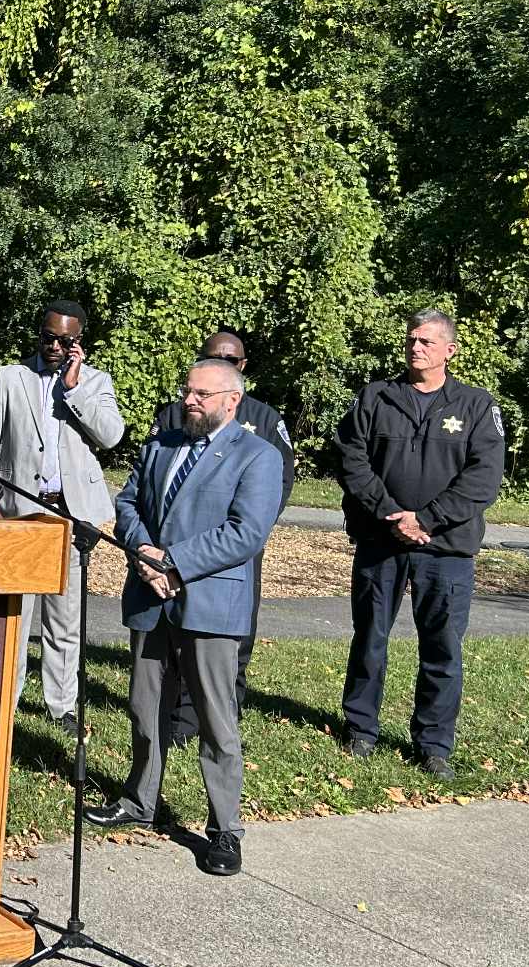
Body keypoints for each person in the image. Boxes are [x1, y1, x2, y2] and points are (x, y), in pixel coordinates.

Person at [87, 358, 284, 877]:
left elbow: (246, 533)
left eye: (201, 395)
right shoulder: (161, 445)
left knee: (216, 720)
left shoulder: (258, 456)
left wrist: (174, 563)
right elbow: (127, 503)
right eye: (187, 392)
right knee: (145, 706)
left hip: (210, 605)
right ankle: (139, 800)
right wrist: (143, 551)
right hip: (151, 597)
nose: (189, 401)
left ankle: (224, 829)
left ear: (231, 401)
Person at [336, 310, 506, 777]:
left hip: (445, 548)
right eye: (411, 339)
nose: (416, 348)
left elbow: (484, 477)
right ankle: (360, 729)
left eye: (427, 342)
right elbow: (352, 460)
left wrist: (427, 519)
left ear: (450, 350)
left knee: (442, 648)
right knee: (370, 638)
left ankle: (434, 744)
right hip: (381, 541)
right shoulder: (376, 396)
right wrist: (390, 514)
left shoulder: (475, 405)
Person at [0, 299, 125, 731]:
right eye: (48, 337)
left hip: (71, 514)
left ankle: (62, 706)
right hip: (19, 512)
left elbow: (111, 437)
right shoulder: (10, 377)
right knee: (15, 616)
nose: (55, 346)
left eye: (65, 340)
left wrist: (74, 389)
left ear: (79, 341)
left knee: (65, 616)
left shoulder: (95, 382)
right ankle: (6, 699)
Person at [154, 328, 296, 744]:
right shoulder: (177, 413)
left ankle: (225, 710)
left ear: (242, 366)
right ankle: (181, 718)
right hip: (174, 547)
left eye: (230, 360)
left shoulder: (265, 418)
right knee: (177, 631)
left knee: (231, 634)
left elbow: (282, 479)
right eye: (213, 356)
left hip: (233, 545)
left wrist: (252, 525)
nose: (222, 363)